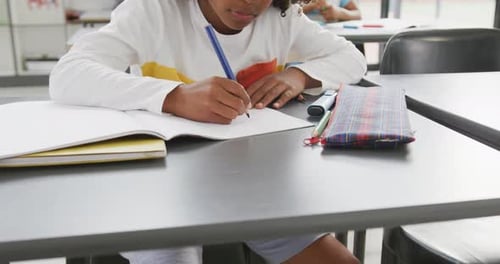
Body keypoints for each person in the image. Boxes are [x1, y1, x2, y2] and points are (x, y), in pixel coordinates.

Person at [50, 0, 366, 263]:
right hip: (162, 195)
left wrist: (300, 75)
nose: (252, 2)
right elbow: (68, 74)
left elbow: (352, 58)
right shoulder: (155, 10)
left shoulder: (281, 17)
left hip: (256, 191)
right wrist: (174, 96)